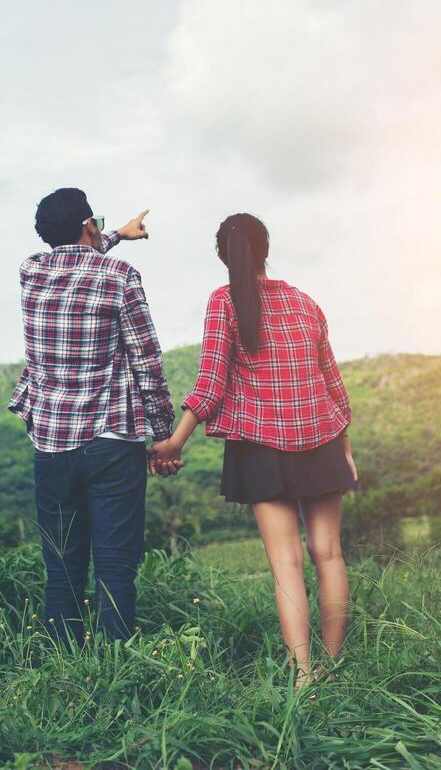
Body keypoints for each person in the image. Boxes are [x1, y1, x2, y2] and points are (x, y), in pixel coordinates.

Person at [149, 212, 357, 686]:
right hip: (322, 438)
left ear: (223, 256)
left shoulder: (224, 301)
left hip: (263, 446)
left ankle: (304, 676)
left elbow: (210, 384)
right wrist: (344, 446)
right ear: (266, 249)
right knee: (330, 554)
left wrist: (175, 440)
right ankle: (335, 664)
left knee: (287, 562)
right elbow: (334, 384)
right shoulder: (305, 302)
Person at [8, 187, 178, 645]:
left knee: (61, 570)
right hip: (112, 442)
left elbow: (74, 257)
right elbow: (147, 363)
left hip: (51, 442)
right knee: (115, 568)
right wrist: (164, 436)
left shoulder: (31, 272)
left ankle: (66, 677)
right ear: (88, 224)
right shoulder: (120, 277)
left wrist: (114, 234)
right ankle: (115, 671)